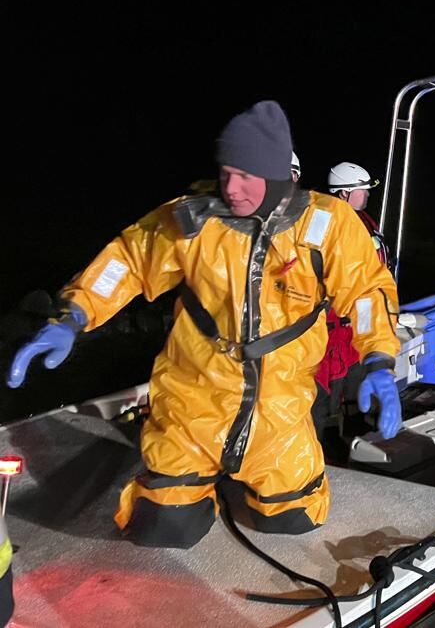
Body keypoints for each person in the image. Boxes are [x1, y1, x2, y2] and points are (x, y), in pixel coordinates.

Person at [7, 100, 402, 548]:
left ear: (275, 173)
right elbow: (128, 261)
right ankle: (187, 488)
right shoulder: (191, 219)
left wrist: (379, 358)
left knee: (292, 520)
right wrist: (73, 315)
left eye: (246, 175)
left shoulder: (329, 226)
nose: (231, 187)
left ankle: (267, 486)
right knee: (161, 526)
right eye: (226, 171)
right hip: (191, 405)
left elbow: (368, 292)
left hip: (280, 412)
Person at [314, 161, 395, 440]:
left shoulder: (362, 223)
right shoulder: (325, 226)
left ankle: (360, 450)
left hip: (357, 334)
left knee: (361, 403)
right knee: (323, 407)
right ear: (344, 194)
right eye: (362, 190)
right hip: (331, 337)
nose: (368, 194)